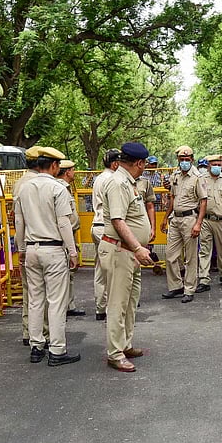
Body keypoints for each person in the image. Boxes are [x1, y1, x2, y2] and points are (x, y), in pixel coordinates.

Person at [14, 146, 81, 367]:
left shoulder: (24, 188)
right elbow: (64, 223)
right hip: (53, 250)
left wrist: (21, 249)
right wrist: (72, 251)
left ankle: (36, 347)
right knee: (56, 302)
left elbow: (19, 222)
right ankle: (57, 349)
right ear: (53, 166)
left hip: (31, 249)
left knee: (34, 300)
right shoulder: (58, 189)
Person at [98, 142, 155, 372]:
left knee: (130, 302)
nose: (145, 169)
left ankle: (125, 344)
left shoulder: (128, 182)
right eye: (145, 165)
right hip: (119, 250)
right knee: (118, 303)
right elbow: (117, 221)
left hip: (130, 253)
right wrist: (137, 247)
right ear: (139, 163)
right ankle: (114, 353)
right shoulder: (118, 183)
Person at [161, 145, 207, 303]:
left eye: (187, 159)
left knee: (190, 257)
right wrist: (165, 218)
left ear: (192, 159)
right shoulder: (175, 176)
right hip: (175, 219)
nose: (185, 162)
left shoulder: (197, 177)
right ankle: (175, 286)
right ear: (178, 160)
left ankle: (189, 289)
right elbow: (172, 199)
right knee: (170, 255)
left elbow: (203, 201)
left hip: (190, 219)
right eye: (182, 160)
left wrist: (198, 224)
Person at [13, 147, 47, 344]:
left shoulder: (19, 183)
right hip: (43, 243)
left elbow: (18, 219)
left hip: (26, 242)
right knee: (46, 293)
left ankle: (29, 332)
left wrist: (20, 247)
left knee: (30, 292)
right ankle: (43, 333)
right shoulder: (42, 184)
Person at [90, 149, 120, 321]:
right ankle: (110, 309)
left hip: (97, 225)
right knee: (112, 270)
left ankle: (100, 307)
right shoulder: (112, 180)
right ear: (115, 163)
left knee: (100, 269)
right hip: (107, 227)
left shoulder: (99, 178)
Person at [198, 154, 222, 291]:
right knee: (204, 250)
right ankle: (204, 279)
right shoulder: (201, 179)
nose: (217, 167)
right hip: (206, 219)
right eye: (214, 164)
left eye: (219, 164)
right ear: (208, 165)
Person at [56, 159, 86, 317]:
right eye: (73, 170)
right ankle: (65, 306)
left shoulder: (66, 188)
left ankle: (69, 304)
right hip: (64, 236)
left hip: (69, 234)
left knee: (70, 274)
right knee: (65, 273)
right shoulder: (60, 188)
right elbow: (64, 219)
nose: (74, 173)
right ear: (67, 172)